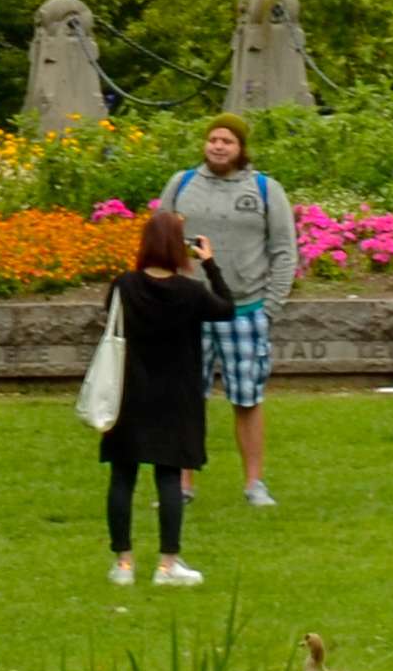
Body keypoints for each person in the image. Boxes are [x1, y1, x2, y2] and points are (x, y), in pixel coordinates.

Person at [153, 115, 301, 505]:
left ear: (241, 148)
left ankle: (254, 484)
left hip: (245, 311)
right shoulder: (181, 185)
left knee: (247, 399)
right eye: (213, 140)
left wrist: (269, 308)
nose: (218, 146)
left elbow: (285, 251)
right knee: (185, 398)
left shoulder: (266, 190)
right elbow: (157, 241)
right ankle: (182, 486)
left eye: (228, 141)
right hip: (187, 313)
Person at [101, 208, 235, 588]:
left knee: (122, 476)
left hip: (128, 392)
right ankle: (167, 563)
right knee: (169, 477)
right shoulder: (190, 294)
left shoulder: (124, 285)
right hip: (176, 394)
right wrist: (210, 264)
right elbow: (227, 307)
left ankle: (123, 563)